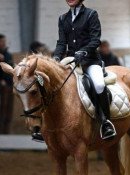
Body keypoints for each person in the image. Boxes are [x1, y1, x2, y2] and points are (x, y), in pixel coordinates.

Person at [43, 0, 115, 143]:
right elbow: (62, 42)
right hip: (71, 61)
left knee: (99, 85)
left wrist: (84, 51)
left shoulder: (91, 14)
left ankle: (105, 122)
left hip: (90, 61)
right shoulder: (63, 18)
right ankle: (43, 126)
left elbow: (95, 40)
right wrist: (56, 57)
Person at [0, 34, 14, 135]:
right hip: (2, 87)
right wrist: (0, 80)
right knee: (1, 113)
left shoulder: (8, 55)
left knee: (9, 113)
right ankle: (0, 136)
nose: (4, 43)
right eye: (1, 41)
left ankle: (7, 137)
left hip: (11, 86)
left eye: (4, 41)